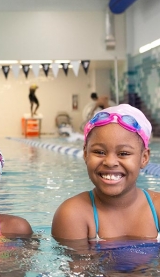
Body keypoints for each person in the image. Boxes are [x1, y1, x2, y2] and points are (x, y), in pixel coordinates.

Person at [52, 104, 156, 242]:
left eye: (123, 153)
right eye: (99, 152)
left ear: (144, 158)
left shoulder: (157, 209)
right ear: (85, 153)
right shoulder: (73, 214)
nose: (110, 162)